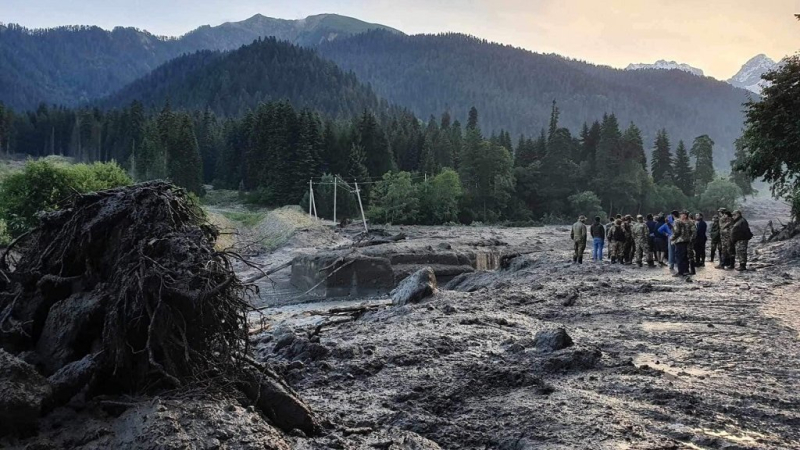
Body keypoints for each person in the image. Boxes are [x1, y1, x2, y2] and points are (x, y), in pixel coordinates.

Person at [671, 210, 692, 276]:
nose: (681, 215)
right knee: (684, 256)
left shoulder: (676, 221)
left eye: (682, 214)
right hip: (685, 240)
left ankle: (680, 271)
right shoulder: (682, 221)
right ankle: (686, 270)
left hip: (680, 241)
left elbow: (676, 232)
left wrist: (672, 238)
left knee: (679, 256)